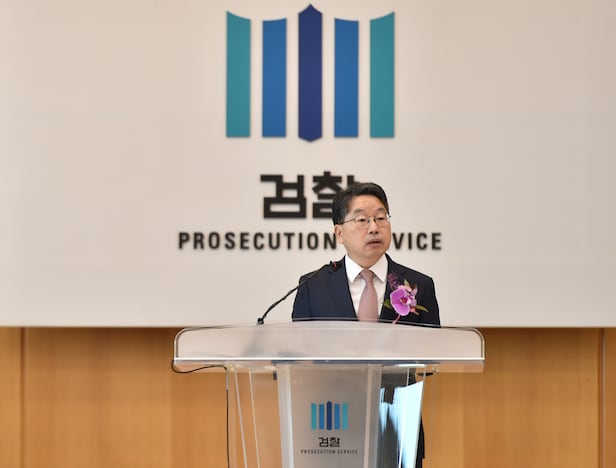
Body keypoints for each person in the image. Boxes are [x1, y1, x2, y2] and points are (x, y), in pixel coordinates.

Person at [292, 182, 441, 468]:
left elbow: (432, 358)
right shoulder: (313, 286)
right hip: (330, 424)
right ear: (339, 233)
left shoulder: (418, 286)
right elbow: (298, 358)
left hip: (396, 425)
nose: (374, 228)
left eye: (381, 218)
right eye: (362, 220)